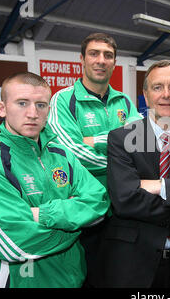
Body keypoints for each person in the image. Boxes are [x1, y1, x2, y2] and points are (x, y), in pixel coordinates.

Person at [0, 72, 109, 288]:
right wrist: (76, 225)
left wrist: (42, 214)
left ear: (49, 109)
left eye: (41, 105)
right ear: (2, 108)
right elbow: (12, 244)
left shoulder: (62, 153)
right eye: (22, 103)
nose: (32, 113)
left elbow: (99, 201)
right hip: (21, 281)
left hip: (73, 278)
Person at [92, 59, 170, 288]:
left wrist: (160, 186)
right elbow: (125, 199)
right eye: (158, 87)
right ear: (145, 93)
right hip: (133, 260)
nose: (166, 94)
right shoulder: (121, 139)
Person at [47, 32, 141, 285]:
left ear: (114, 62)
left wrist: (95, 140)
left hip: (123, 208)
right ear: (82, 59)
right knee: (88, 277)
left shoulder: (124, 100)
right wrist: (122, 155)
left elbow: (142, 143)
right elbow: (72, 156)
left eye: (108, 55)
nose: (101, 60)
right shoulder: (63, 100)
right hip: (85, 211)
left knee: (122, 276)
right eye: (94, 53)